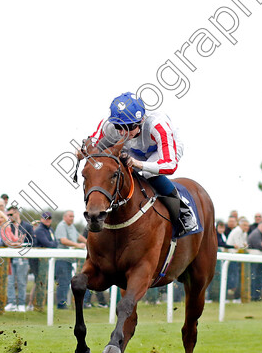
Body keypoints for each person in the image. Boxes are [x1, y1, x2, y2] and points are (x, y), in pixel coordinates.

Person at [87, 92, 196, 232]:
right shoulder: (108, 125)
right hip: (133, 148)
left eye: (129, 126)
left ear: (141, 121)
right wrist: (84, 151)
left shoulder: (158, 125)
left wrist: (138, 164)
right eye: (118, 127)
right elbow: (94, 147)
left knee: (147, 173)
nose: (122, 132)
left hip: (161, 150)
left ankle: (184, 210)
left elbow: (170, 165)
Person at [54, 210, 86, 309]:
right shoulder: (61, 226)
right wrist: (78, 245)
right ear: (65, 217)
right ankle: (61, 304)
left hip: (69, 259)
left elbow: (78, 236)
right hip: (62, 259)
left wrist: (88, 242)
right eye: (70, 216)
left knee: (67, 281)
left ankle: (64, 303)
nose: (72, 218)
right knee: (63, 282)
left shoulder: (71, 226)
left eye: (73, 216)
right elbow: (63, 240)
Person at [4, 205, 32, 312]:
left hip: (23, 258)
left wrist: (22, 245)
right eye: (8, 215)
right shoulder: (7, 227)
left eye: (11, 214)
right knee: (10, 281)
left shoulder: (27, 226)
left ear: (17, 213)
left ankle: (21, 304)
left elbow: (32, 241)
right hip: (10, 258)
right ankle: (11, 303)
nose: (10, 217)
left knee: (21, 281)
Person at [32, 212, 58, 311]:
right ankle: (36, 305)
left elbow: (55, 242)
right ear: (41, 219)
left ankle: (38, 304)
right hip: (38, 260)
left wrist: (53, 244)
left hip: (46, 259)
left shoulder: (50, 229)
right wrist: (53, 244)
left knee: (43, 282)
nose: (47, 220)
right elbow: (48, 243)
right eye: (45, 218)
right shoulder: (39, 230)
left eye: (49, 218)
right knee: (39, 281)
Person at [248, 222, 262, 300]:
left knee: (260, 278)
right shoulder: (255, 234)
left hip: (259, 258)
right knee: (254, 278)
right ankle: (254, 296)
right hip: (254, 259)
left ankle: (256, 296)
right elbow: (259, 246)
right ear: (258, 226)